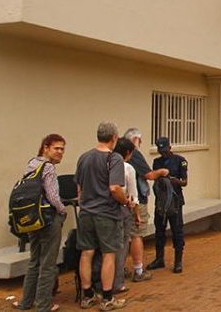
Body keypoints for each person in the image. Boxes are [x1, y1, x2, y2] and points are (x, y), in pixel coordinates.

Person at [74, 122, 129, 311]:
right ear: (114, 138)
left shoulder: (84, 157)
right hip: (106, 213)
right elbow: (114, 188)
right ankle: (107, 297)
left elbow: (79, 188)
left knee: (86, 253)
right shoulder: (114, 159)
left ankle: (87, 295)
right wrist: (124, 201)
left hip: (86, 213)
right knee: (108, 254)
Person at [13, 134, 67, 312]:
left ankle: (25, 302)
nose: (60, 152)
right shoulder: (48, 167)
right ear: (45, 147)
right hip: (48, 219)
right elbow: (52, 196)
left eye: (62, 149)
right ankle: (43, 304)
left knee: (34, 260)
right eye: (56, 148)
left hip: (32, 219)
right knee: (48, 263)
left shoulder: (31, 163)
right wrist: (62, 210)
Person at [123, 128, 168, 282]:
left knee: (122, 236)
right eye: (139, 140)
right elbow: (148, 175)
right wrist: (161, 172)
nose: (141, 143)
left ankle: (119, 270)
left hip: (120, 201)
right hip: (135, 200)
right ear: (135, 140)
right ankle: (138, 270)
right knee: (137, 234)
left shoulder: (115, 154)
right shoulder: (133, 154)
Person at [147, 137, 187, 274]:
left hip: (175, 201)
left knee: (177, 231)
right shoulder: (157, 162)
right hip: (161, 201)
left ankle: (178, 261)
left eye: (165, 150)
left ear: (170, 147)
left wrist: (173, 180)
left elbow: (185, 182)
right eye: (160, 150)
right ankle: (159, 258)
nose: (163, 153)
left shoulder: (180, 161)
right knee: (159, 230)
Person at [112, 138, 139, 294]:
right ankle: (118, 282)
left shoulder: (105, 163)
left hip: (104, 210)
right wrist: (136, 214)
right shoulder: (127, 168)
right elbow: (133, 195)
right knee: (121, 247)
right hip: (122, 208)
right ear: (128, 153)